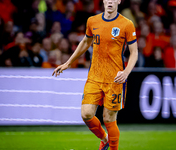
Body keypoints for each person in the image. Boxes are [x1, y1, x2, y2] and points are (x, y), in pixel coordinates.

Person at [52, 0, 138, 149]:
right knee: (86, 114)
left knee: (108, 118)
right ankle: (104, 139)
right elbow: (86, 41)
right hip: (95, 76)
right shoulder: (92, 21)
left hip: (115, 78)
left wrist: (126, 72)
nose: (110, 2)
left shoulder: (127, 24)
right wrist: (68, 62)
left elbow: (134, 52)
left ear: (118, 1)